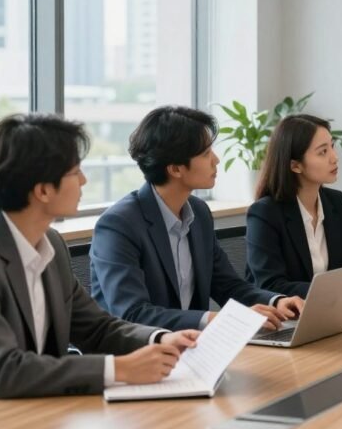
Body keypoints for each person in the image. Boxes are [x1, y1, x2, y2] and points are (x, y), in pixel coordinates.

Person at [0, 114, 199, 411]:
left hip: (40, 411)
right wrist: (118, 369)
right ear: (43, 190)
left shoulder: (50, 243)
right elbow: (2, 372)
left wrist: (160, 338)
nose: (84, 180)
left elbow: (97, 329)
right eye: (75, 171)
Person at [91, 106, 304, 332]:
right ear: (175, 169)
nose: (216, 160)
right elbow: (133, 313)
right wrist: (217, 320)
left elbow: (227, 285)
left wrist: (277, 301)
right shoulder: (119, 224)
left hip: (192, 349)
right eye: (205, 154)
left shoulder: (199, 212)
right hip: (137, 354)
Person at [245, 114, 342, 300]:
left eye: (332, 146)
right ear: (296, 166)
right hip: (282, 319)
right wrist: (339, 290)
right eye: (323, 152)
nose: (335, 158)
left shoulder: (336, 203)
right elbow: (271, 284)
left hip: (331, 314)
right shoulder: (265, 213)